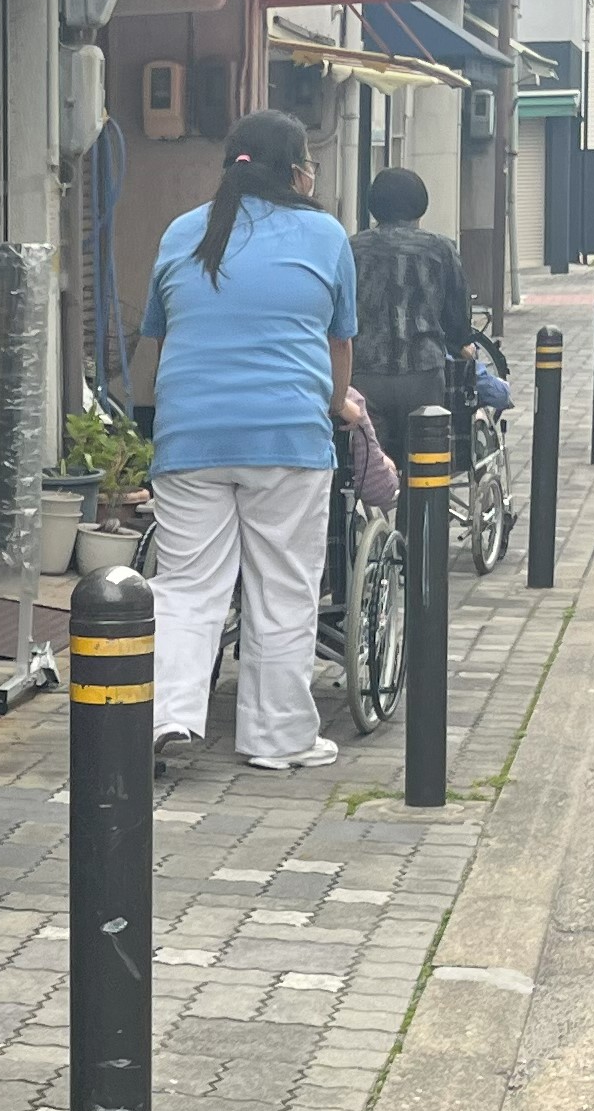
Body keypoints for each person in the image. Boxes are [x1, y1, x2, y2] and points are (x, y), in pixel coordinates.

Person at [140, 110, 365, 776]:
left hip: (188, 436)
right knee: (283, 589)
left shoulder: (183, 231)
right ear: (298, 171)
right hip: (286, 436)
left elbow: (163, 336)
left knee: (185, 585)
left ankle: (168, 716)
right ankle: (277, 739)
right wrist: (336, 402)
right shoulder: (325, 234)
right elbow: (340, 343)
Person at [351, 165, 514, 478]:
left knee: (372, 471)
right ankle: (421, 509)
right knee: (424, 467)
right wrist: (459, 342)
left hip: (366, 373)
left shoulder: (352, 249)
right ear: (420, 204)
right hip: (423, 373)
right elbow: (458, 316)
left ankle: (377, 509)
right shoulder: (441, 249)